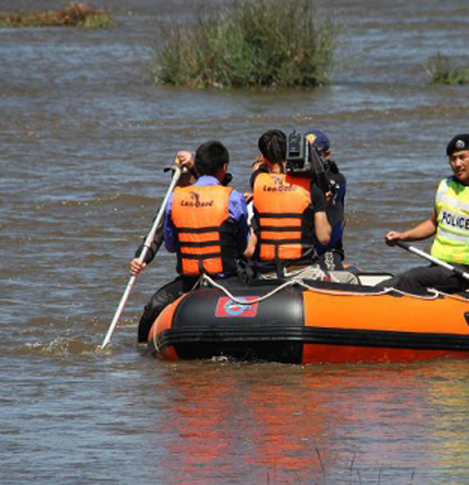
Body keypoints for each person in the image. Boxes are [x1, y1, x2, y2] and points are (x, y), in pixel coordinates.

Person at [134, 140, 250, 342]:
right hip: (211, 279)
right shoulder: (230, 197)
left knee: (153, 306)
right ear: (223, 168)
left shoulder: (177, 199)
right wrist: (140, 257)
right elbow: (243, 243)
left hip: (206, 279)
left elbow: (171, 246)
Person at [380, 134, 469, 294]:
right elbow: (433, 224)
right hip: (440, 265)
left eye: (462, 157)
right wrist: (403, 236)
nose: (457, 164)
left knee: (410, 278)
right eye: (453, 159)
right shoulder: (446, 186)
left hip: (467, 270)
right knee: (391, 283)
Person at [247, 129, 357, 283]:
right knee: (350, 279)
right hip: (302, 273)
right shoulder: (310, 187)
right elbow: (324, 238)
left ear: (264, 158)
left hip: (266, 274)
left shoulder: (257, 181)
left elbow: (260, 170)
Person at [304, 130, 347, 272]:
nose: (309, 159)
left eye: (314, 154)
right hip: (303, 247)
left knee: (333, 277)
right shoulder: (298, 177)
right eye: (306, 154)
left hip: (327, 249)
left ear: (326, 154)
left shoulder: (336, 179)